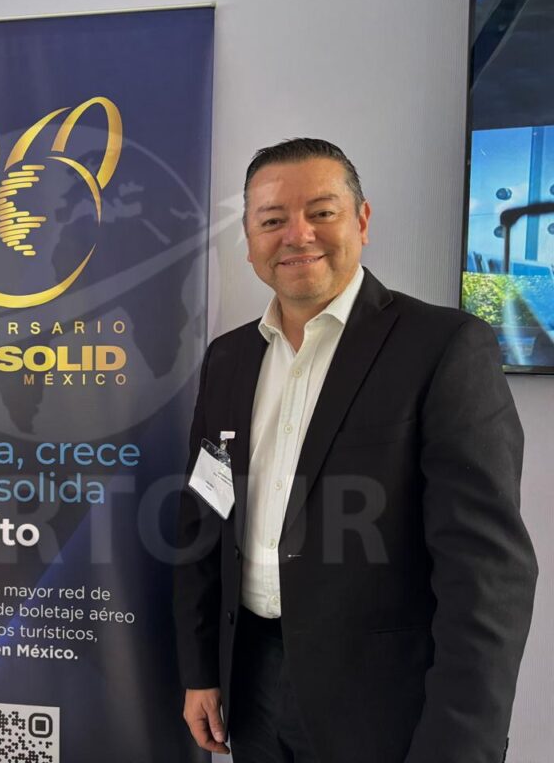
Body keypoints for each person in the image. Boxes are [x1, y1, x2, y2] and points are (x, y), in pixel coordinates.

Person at [174, 139, 537, 763]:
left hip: (384, 704)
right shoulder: (228, 358)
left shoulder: (444, 347)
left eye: (321, 212)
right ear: (250, 240)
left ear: (361, 221)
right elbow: (204, 520)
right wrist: (201, 668)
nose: (297, 235)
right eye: (272, 220)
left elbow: (486, 574)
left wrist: (460, 744)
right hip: (250, 685)